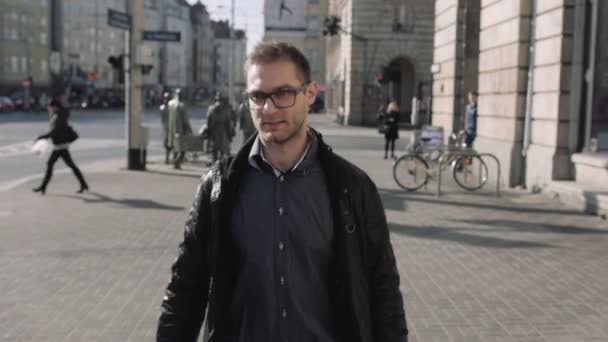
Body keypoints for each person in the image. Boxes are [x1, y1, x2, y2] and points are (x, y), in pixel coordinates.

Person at [157, 41, 407, 342]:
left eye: (283, 93)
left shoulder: (351, 186)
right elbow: (186, 287)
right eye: (258, 96)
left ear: (310, 94)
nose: (269, 108)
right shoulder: (218, 187)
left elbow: (384, 291)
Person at [32, 99, 88, 195]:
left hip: (61, 145)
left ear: (55, 107)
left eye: (51, 107)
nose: (49, 108)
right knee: (68, 165)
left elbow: (55, 131)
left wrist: (41, 137)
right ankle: (83, 184)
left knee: (53, 164)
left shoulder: (60, 116)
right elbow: (54, 129)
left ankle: (43, 187)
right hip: (59, 145)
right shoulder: (58, 115)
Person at [167, 88, 192, 169]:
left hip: (172, 129)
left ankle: (175, 163)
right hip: (180, 130)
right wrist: (189, 129)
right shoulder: (181, 105)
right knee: (183, 148)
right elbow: (185, 119)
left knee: (175, 147)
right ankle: (177, 162)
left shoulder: (170, 103)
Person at [206, 92, 234, 161]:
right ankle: (220, 165)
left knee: (214, 150)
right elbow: (227, 123)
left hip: (213, 130)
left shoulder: (211, 108)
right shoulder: (226, 109)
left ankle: (214, 164)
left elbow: (208, 122)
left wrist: (208, 132)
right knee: (222, 150)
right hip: (223, 131)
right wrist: (230, 135)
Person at [159, 92, 171, 164]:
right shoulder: (162, 108)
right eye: (165, 98)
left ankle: (169, 158)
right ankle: (167, 158)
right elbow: (162, 120)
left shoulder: (171, 107)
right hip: (166, 128)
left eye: (167, 98)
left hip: (171, 127)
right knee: (166, 144)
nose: (166, 100)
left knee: (171, 144)